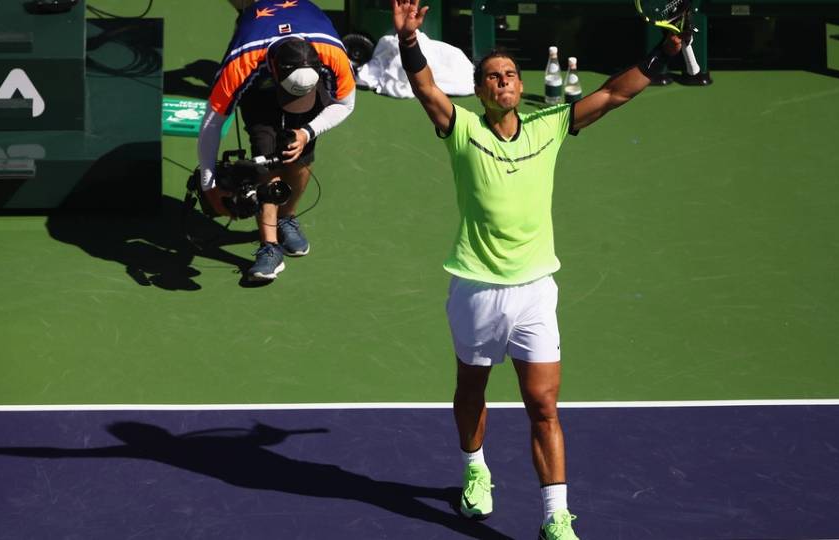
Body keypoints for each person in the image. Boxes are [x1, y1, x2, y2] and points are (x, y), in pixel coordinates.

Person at [390, 0, 683, 538]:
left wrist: (662, 55)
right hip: (476, 287)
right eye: (491, 78)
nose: (501, 82)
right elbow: (428, 89)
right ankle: (475, 468)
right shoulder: (462, 129)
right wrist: (410, 41)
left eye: (509, 75)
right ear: (480, 92)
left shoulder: (550, 126)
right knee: (471, 389)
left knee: (543, 404)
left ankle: (555, 517)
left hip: (534, 292)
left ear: (520, 88)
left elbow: (616, 92)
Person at [198, 0, 356, 281]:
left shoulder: (331, 52)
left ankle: (286, 216)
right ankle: (269, 247)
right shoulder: (242, 61)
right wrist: (208, 184)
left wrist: (307, 131)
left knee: (300, 157)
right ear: (273, 66)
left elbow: (345, 103)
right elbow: (212, 122)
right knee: (265, 158)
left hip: (301, 69)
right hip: (259, 88)